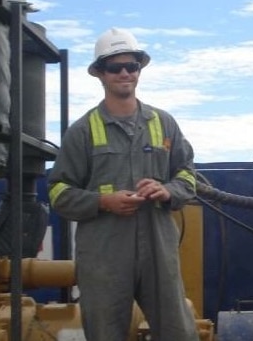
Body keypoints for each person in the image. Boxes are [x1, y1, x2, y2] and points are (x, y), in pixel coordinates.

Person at [47, 27, 200, 340]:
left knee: (179, 332)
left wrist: (167, 190)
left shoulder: (164, 122)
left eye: (132, 66)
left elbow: (187, 175)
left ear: (140, 71)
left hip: (158, 251)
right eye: (115, 67)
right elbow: (58, 192)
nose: (125, 73)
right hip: (104, 257)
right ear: (100, 74)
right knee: (105, 333)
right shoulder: (83, 131)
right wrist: (103, 202)